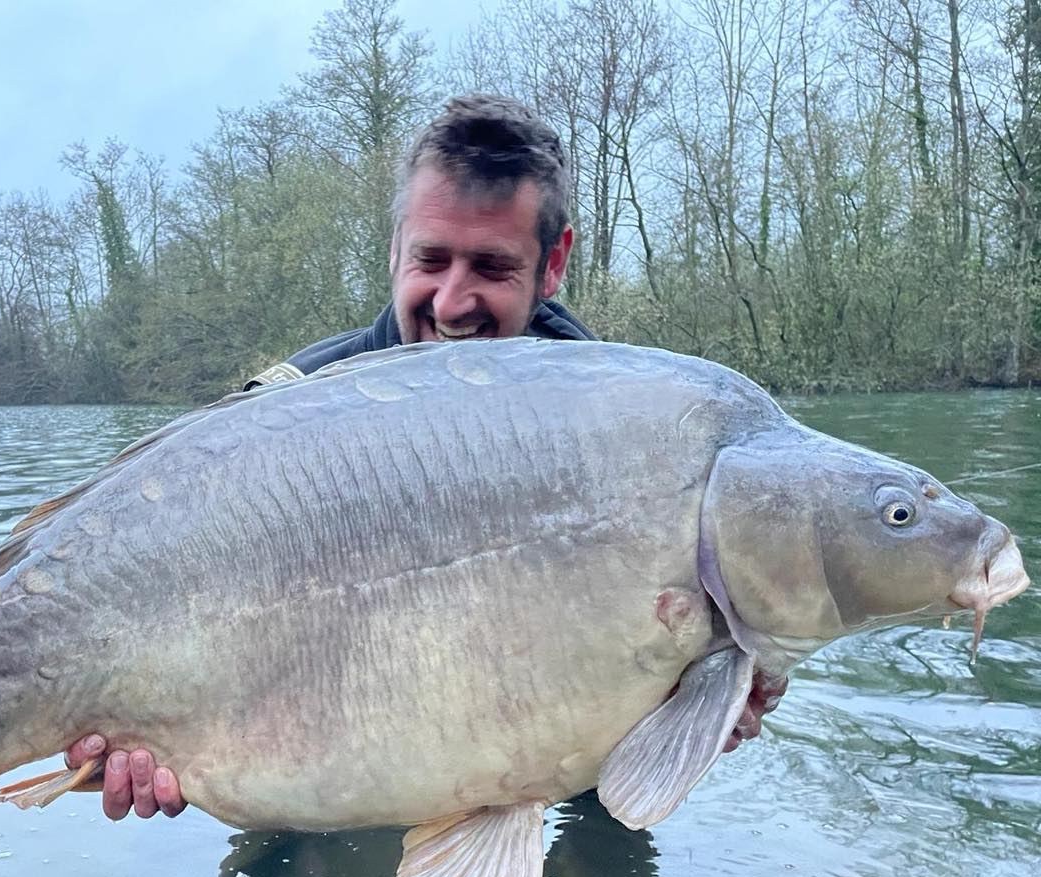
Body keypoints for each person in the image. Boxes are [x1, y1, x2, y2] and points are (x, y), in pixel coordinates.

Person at [59, 94, 784, 821]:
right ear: (394, 247)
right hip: (322, 774)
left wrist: (713, 705)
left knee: (606, 841)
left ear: (553, 264)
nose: (451, 302)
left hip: (570, 764)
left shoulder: (627, 424)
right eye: (430, 260)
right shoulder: (282, 414)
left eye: (492, 267)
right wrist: (151, 739)